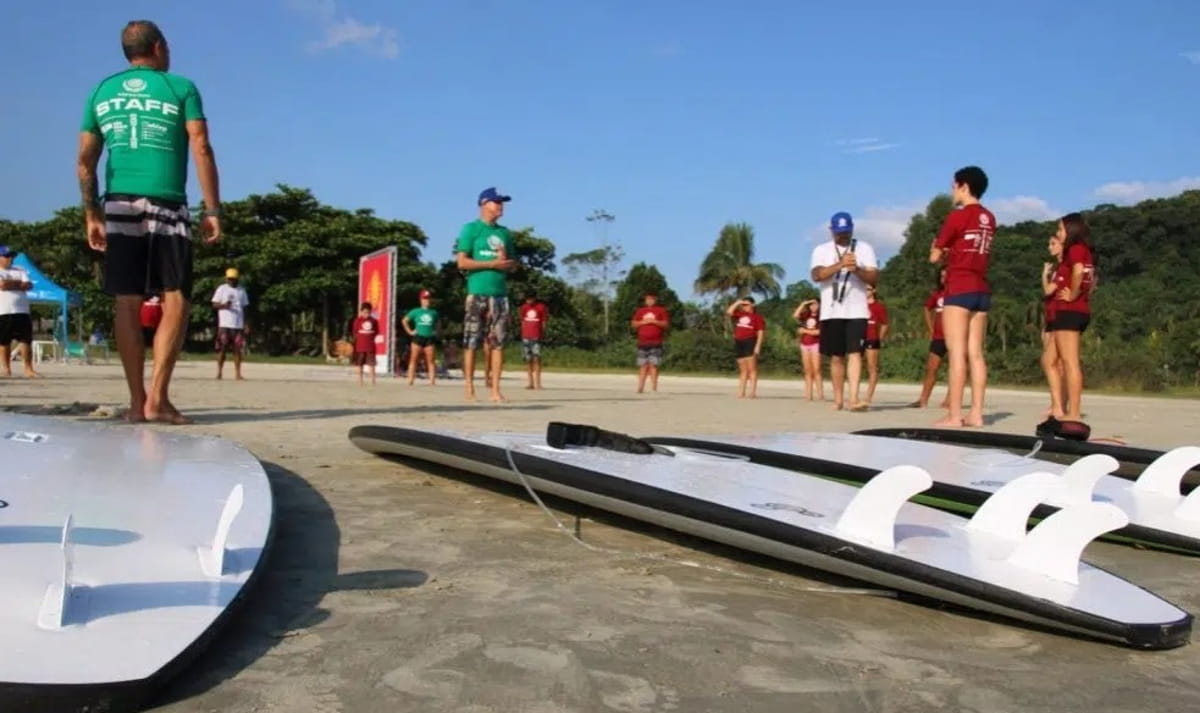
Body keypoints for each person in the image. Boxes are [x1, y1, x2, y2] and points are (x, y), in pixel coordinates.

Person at [78, 20, 221, 424]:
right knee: (176, 296)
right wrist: (212, 210)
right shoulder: (180, 87)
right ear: (159, 47)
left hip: (119, 202)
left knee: (127, 300)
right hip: (167, 201)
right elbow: (202, 145)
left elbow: (85, 161)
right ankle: (159, 397)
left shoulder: (101, 91)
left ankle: (137, 402)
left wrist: (92, 214)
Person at [929, 166, 994, 428]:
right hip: (981, 288)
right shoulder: (990, 218)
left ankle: (954, 415)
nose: (952, 191)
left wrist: (939, 252)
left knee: (956, 353)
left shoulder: (957, 217)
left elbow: (935, 255)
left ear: (964, 186)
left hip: (959, 287)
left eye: (954, 186)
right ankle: (976, 413)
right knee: (975, 353)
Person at [810, 211, 879, 411]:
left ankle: (854, 398)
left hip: (857, 310)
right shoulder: (821, 250)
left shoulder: (864, 249)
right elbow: (817, 275)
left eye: (846, 232)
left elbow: (874, 277)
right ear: (831, 231)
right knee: (836, 356)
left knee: (855, 353)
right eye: (839, 232)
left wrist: (856, 269)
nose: (843, 236)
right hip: (831, 312)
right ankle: (838, 399)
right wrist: (840, 264)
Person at [456, 187, 518, 402]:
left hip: (500, 294)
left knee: (498, 342)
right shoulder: (471, 229)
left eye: (502, 202)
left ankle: (495, 389)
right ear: (484, 204)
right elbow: (462, 262)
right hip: (477, 291)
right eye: (497, 202)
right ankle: (469, 388)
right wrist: (491, 263)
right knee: (472, 340)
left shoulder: (504, 233)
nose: (501, 206)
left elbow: (513, 265)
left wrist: (506, 262)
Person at [1045, 213, 1096, 426]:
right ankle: (1060, 407)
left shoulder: (1075, 250)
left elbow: (1077, 272)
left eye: (1060, 229)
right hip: (1076, 311)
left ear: (1071, 230)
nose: (1058, 233)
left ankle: (1073, 412)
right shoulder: (1084, 251)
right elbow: (1090, 279)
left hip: (1070, 310)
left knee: (1070, 362)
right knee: (1053, 359)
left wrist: (1074, 295)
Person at [911, 269, 948, 408]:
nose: (943, 278)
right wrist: (930, 328)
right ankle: (923, 399)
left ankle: (950, 399)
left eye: (946, 276)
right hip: (938, 336)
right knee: (931, 368)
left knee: (955, 368)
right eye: (942, 276)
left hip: (954, 337)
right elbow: (927, 308)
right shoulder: (937, 294)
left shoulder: (957, 294)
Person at [0, 246, 39, 378]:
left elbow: (29, 285)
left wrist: (11, 283)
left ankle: (28, 369)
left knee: (25, 341)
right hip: (3, 311)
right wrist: (19, 284)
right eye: (7, 256)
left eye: (11, 256)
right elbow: (2, 285)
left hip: (22, 311)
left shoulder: (20, 270)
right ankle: (6, 369)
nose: (10, 259)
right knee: (4, 342)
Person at [1039, 233, 1066, 419]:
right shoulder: (1058, 268)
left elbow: (1048, 291)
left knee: (1058, 363)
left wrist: (1044, 276)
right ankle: (1055, 402)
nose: (1050, 247)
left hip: (1059, 318)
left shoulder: (1065, 267)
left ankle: (1061, 404)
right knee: (1051, 363)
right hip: (1050, 317)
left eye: (1053, 243)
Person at [211, 267, 250, 381]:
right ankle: (219, 372)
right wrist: (224, 306)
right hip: (224, 324)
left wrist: (246, 323)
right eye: (229, 278)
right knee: (222, 348)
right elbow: (214, 304)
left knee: (237, 350)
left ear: (237, 279)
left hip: (237, 325)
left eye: (234, 279)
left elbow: (245, 308)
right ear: (226, 278)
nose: (231, 281)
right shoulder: (221, 289)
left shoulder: (242, 290)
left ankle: (238, 373)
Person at [727, 296, 765, 399]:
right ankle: (741, 392)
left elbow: (761, 332)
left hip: (750, 341)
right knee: (743, 370)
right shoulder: (740, 315)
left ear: (753, 305)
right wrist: (737, 303)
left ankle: (752, 392)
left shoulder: (757, 317)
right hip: (739, 342)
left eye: (747, 305)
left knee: (752, 368)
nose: (744, 307)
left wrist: (758, 345)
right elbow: (729, 312)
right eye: (743, 305)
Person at [631, 293, 669, 393]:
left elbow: (665, 324)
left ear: (655, 300)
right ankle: (640, 387)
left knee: (653, 365)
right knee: (642, 365)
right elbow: (634, 324)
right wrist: (643, 322)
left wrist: (654, 321)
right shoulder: (640, 311)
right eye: (647, 299)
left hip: (656, 342)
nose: (649, 301)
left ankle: (654, 387)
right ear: (645, 300)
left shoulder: (661, 310)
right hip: (642, 342)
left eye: (652, 299)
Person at [402, 289, 439, 386]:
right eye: (425, 298)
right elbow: (405, 320)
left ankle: (432, 381)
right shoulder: (416, 311)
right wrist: (410, 331)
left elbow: (438, 323)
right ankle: (410, 380)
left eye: (428, 299)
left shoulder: (434, 312)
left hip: (429, 338)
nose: (427, 301)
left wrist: (436, 331)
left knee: (430, 360)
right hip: (418, 337)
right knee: (414, 359)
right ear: (421, 300)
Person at [792, 298, 823, 401]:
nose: (813, 307)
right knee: (807, 370)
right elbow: (795, 315)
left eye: (816, 304)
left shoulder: (821, 317)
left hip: (816, 344)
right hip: (804, 344)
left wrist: (804, 330)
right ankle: (808, 395)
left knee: (816, 370)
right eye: (811, 305)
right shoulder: (805, 316)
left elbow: (818, 332)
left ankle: (820, 395)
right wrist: (803, 303)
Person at [864, 287, 889, 405]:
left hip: (872, 338)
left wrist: (880, 338)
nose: (866, 291)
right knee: (856, 363)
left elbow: (884, 324)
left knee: (872, 366)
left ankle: (869, 396)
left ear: (874, 290)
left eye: (868, 289)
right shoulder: (859, 305)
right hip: (859, 337)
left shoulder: (878, 306)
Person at [518, 292, 549, 390]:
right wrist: (523, 333)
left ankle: (538, 383)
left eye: (530, 298)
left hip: (536, 336)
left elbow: (544, 321)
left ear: (534, 298)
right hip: (526, 336)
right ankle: (530, 382)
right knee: (528, 359)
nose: (528, 301)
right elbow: (522, 321)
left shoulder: (541, 307)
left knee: (537, 358)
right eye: (527, 299)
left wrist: (543, 333)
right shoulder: (524, 307)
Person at [351, 302, 380, 386]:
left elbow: (376, 332)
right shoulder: (357, 321)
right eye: (364, 312)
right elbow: (355, 333)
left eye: (368, 312)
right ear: (361, 311)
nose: (366, 314)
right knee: (359, 364)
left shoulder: (374, 321)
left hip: (370, 347)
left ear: (370, 312)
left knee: (372, 364)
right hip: (360, 347)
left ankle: (373, 381)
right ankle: (360, 381)